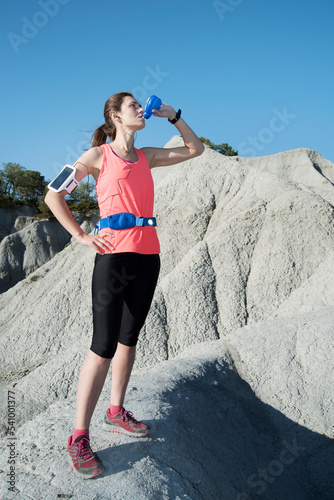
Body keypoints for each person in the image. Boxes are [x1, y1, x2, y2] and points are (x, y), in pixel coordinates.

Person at [44, 92, 205, 479]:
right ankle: (79, 437)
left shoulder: (146, 155)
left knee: (128, 341)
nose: (140, 109)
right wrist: (82, 236)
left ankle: (115, 410)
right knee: (102, 346)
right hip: (113, 259)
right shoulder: (97, 156)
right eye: (132, 105)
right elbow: (53, 195)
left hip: (148, 257)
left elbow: (195, 149)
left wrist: (173, 115)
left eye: (139, 104)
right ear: (116, 116)